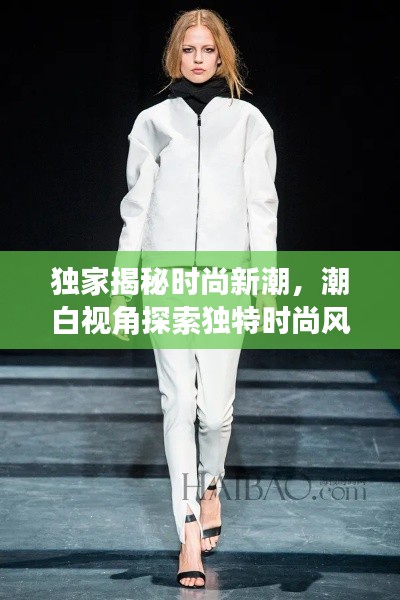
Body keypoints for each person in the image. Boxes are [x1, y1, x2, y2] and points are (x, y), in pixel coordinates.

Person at [110, 8, 279, 589]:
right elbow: (136, 210)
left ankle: (210, 487)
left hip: (225, 283)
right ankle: (187, 530)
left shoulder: (249, 122)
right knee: (178, 402)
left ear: (223, 55)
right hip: (167, 280)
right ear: (174, 56)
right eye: (189, 49)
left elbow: (262, 206)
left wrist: (265, 281)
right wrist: (123, 286)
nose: (199, 58)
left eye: (208, 49)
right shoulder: (153, 122)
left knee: (217, 411)